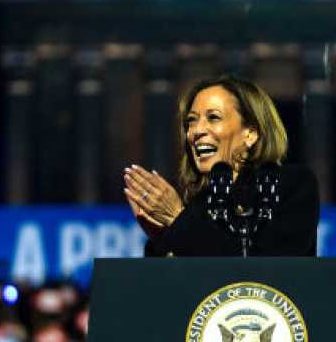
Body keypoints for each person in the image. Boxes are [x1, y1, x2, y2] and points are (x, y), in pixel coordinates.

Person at [123, 74, 319, 256]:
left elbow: (263, 270)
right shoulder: (196, 204)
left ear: (250, 133)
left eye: (213, 117)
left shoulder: (291, 185)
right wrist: (162, 238)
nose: (196, 131)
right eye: (191, 120)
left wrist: (177, 219)